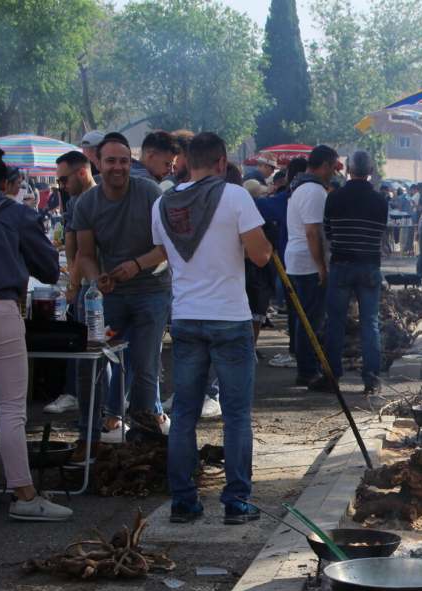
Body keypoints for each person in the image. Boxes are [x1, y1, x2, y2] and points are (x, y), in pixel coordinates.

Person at [150, 132, 272, 525]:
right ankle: (236, 501)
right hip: (230, 317)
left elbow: (165, 254)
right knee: (236, 414)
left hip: (185, 316)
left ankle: (183, 501)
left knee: (184, 414)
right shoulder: (235, 197)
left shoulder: (163, 204)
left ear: (186, 160)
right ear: (221, 162)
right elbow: (259, 255)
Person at [0, 144, 72, 521]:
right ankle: (24, 494)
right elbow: (47, 267)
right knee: (11, 408)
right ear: (5, 181)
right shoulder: (15, 214)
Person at [69, 132, 170, 462]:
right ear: (97, 163)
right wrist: (95, 278)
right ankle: (88, 435)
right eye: (111, 161)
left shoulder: (150, 193)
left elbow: (166, 248)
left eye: (124, 161)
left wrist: (138, 264)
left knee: (144, 366)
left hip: (150, 291)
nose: (118, 167)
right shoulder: (87, 203)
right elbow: (84, 254)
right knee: (92, 362)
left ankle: (146, 442)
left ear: (132, 163)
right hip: (110, 294)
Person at [310, 150, 389, 396]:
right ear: (371, 171)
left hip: (341, 265)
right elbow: (380, 233)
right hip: (369, 266)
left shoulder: (334, 198)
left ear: (348, 170)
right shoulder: (380, 201)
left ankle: (332, 376)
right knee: (370, 324)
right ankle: (371, 379)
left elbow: (329, 232)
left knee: (335, 323)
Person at [43, 151, 97, 416]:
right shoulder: (77, 199)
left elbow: (76, 248)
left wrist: (73, 285)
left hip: (91, 285)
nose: (61, 186)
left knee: (86, 345)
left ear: (82, 172)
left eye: (63, 180)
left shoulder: (82, 201)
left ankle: (79, 396)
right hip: (91, 282)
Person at [284, 145, 338, 387]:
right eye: (333, 167)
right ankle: (308, 371)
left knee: (302, 318)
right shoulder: (314, 191)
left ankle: (306, 366)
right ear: (325, 165)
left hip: (298, 260)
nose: (334, 173)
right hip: (307, 264)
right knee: (310, 320)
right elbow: (313, 232)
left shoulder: (300, 187)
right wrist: (321, 267)